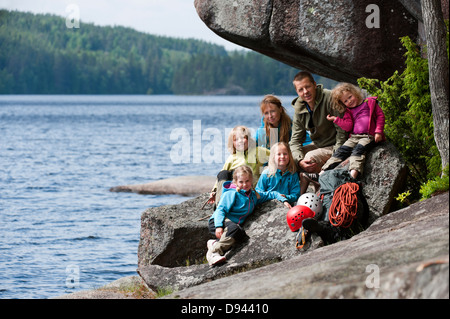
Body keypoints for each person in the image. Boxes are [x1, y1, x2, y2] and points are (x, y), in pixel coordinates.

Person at [206, 165, 289, 266]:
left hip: (233, 224)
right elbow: (220, 210)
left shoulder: (253, 195)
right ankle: (214, 252)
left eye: (247, 181)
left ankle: (215, 243)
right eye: (241, 182)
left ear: (252, 181)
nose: (244, 184)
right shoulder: (231, 194)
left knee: (240, 234)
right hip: (218, 221)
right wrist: (219, 226)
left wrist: (283, 199)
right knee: (235, 229)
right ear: (235, 182)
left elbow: (270, 194)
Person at [288, 71, 348, 194]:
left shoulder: (330, 98)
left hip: (336, 145)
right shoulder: (299, 108)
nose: (305, 92)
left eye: (307, 86)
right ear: (297, 92)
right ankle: (293, 193)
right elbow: (295, 140)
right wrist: (299, 161)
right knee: (287, 156)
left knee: (310, 157)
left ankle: (321, 190)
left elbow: (342, 132)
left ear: (315, 85)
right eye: (301, 89)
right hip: (319, 145)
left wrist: (337, 156)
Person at [320, 82, 385, 179]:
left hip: (368, 136)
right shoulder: (349, 112)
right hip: (354, 137)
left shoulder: (369, 102)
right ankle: (323, 172)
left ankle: (353, 174)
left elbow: (380, 116)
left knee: (358, 151)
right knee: (341, 151)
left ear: (355, 93)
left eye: (350, 97)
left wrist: (378, 131)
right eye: (345, 101)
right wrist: (336, 119)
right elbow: (348, 127)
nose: (349, 101)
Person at [208, 125, 270, 206]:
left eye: (243, 137)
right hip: (236, 189)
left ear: (248, 139)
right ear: (233, 143)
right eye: (236, 139)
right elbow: (221, 176)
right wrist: (214, 191)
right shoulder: (232, 158)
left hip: (251, 189)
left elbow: (276, 155)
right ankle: (220, 204)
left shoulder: (258, 151)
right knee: (224, 173)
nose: (240, 141)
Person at [256, 142, 300, 208]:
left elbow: (296, 195)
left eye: (285, 154)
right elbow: (258, 193)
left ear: (289, 156)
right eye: (279, 154)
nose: (282, 156)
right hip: (268, 205)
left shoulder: (293, 174)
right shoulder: (266, 173)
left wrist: (286, 197)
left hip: (287, 205)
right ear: (273, 157)